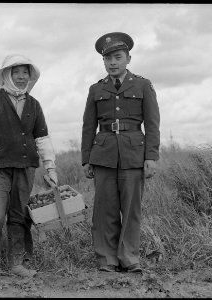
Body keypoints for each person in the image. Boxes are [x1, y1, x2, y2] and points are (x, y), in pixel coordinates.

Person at [0, 54, 58, 279]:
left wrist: (51, 167)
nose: (20, 77)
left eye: (25, 72)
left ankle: (16, 263)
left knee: (19, 216)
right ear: (6, 75)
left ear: (29, 76)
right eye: (15, 72)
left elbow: (42, 138)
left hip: (26, 167)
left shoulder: (34, 104)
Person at [81, 32, 160, 273]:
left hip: (134, 155)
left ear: (128, 58)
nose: (112, 63)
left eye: (117, 57)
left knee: (131, 210)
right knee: (104, 211)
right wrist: (86, 159)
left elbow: (153, 123)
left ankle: (129, 258)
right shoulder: (96, 89)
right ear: (103, 62)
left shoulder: (143, 85)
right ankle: (107, 260)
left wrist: (151, 156)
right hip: (103, 156)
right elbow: (88, 126)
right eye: (108, 59)